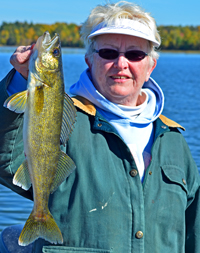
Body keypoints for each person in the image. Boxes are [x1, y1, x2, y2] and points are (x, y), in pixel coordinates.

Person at [0, 1, 199, 252]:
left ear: (151, 66)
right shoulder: (65, 121)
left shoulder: (173, 140)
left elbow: (194, 232)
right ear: (89, 61)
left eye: (135, 54)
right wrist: (20, 81)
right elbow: (8, 162)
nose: (121, 64)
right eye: (108, 53)